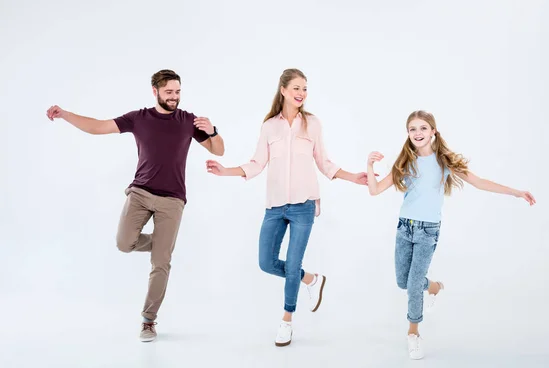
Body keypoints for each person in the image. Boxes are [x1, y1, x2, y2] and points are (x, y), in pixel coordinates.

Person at [46, 69, 225, 342]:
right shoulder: (139, 118)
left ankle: (148, 321)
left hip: (172, 199)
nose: (174, 97)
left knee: (161, 263)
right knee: (123, 243)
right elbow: (98, 126)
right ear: (155, 91)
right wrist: (65, 114)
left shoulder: (188, 120)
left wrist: (213, 131)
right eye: (169, 92)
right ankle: (162, 241)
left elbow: (218, 149)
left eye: (177, 92)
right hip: (140, 193)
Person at [206, 68, 368, 347]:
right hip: (275, 206)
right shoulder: (269, 126)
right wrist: (225, 171)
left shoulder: (313, 124)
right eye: (296, 87)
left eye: (305, 88)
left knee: (292, 265)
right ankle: (311, 279)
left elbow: (324, 162)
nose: (301, 93)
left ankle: (286, 321)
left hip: (304, 204)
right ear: (283, 90)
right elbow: (256, 163)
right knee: (265, 262)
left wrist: (353, 176)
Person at [366, 110, 535, 360]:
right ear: (408, 134)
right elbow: (375, 190)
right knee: (404, 282)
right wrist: (369, 166)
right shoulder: (405, 161)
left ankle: (413, 333)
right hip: (404, 228)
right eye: (412, 129)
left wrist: (516, 192)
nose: (418, 133)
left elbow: (479, 182)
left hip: (428, 231)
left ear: (433, 131)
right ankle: (434, 287)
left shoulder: (444, 161)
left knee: (413, 285)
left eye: (423, 128)